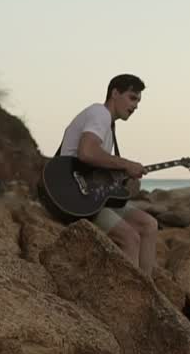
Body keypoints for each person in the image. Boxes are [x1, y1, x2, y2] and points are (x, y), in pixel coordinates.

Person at [51, 73, 160, 273]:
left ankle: (148, 291)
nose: (135, 106)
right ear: (115, 93)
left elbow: (97, 172)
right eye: (132, 97)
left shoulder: (108, 126)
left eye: (138, 101)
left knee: (149, 225)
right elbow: (87, 152)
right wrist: (126, 164)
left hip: (90, 196)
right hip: (72, 197)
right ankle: (130, 298)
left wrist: (125, 181)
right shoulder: (99, 113)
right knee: (130, 238)